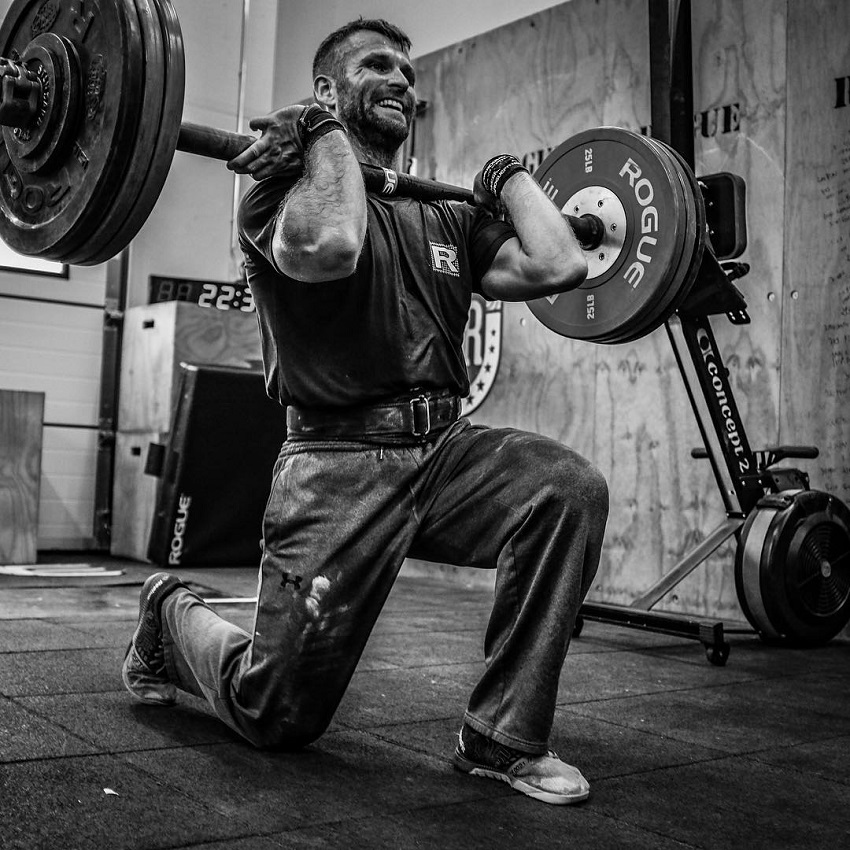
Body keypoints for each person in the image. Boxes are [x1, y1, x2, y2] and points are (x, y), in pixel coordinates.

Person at [122, 18, 608, 806]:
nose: (402, 84)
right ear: (325, 92)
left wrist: (509, 177)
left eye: (410, 76)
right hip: (335, 464)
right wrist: (320, 137)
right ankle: (170, 613)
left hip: (445, 453)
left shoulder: (442, 213)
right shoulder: (276, 195)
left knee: (566, 489)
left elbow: (561, 261)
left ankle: (502, 737)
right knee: (275, 715)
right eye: (377, 66)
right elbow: (336, 245)